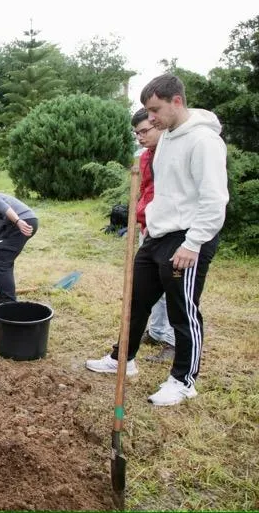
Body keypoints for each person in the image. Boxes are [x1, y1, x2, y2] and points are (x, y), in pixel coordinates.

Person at [86, 74, 229, 406]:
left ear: (176, 101)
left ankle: (183, 380)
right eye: (147, 112)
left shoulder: (204, 142)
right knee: (135, 302)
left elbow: (214, 199)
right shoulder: (166, 138)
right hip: (158, 236)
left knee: (183, 311)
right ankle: (124, 359)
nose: (150, 118)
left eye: (155, 110)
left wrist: (193, 243)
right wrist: (150, 225)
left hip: (188, 238)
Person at [132, 108, 175, 363]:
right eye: (136, 133)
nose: (140, 137)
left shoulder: (173, 154)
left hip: (170, 232)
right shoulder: (146, 157)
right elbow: (147, 190)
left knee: (173, 288)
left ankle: (173, 341)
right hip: (149, 227)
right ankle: (157, 332)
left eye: (144, 131)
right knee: (150, 286)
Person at [0, 191, 38, 326]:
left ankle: (10, 309)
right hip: (10, 225)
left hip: (23, 221)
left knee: (2, 263)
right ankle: (0, 299)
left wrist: (18, 221)